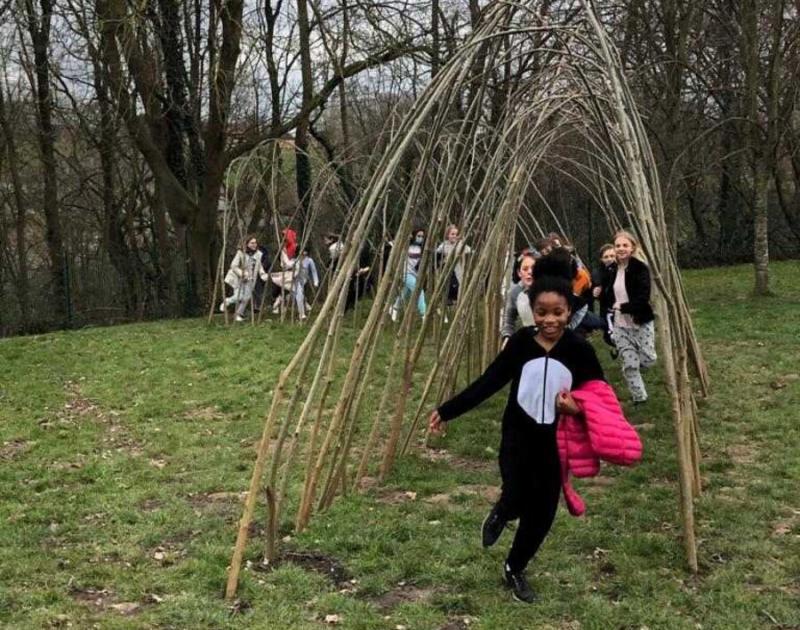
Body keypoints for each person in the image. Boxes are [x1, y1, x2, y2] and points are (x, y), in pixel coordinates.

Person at [429, 263, 606, 603]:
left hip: (556, 441)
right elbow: (490, 381)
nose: (549, 320)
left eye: (558, 312)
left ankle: (515, 567)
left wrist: (577, 409)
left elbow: (601, 398)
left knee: (542, 511)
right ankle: (501, 512)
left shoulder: (579, 350)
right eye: (541, 312)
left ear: (570, 311)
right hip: (518, 436)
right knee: (516, 493)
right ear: (532, 311)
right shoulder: (522, 343)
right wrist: (447, 410)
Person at [600, 230, 657, 404]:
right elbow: (607, 294)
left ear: (632, 247)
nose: (621, 249)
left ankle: (638, 361)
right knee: (629, 365)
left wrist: (624, 307)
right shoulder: (611, 269)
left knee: (648, 359)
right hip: (620, 325)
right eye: (618, 245)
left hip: (640, 320)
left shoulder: (640, 269)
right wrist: (600, 293)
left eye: (625, 245)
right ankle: (639, 398)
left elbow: (643, 297)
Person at [220, 235, 270, 322]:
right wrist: (242, 273)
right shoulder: (240, 253)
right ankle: (226, 301)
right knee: (239, 296)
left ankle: (238, 314)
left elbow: (259, 265)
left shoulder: (258, 254)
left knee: (247, 297)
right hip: (237, 278)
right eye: (252, 243)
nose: (254, 245)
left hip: (250, 279)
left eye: (255, 243)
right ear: (247, 244)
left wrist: (262, 274)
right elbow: (233, 266)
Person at [389, 228, 427, 321]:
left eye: (422, 236)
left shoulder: (423, 248)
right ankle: (424, 314)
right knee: (419, 291)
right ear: (414, 236)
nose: (420, 238)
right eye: (418, 236)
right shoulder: (406, 245)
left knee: (406, 291)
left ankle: (394, 307)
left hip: (416, 274)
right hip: (406, 273)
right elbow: (392, 243)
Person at [500, 252, 535, 346]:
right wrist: (507, 337)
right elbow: (509, 319)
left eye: (534, 268)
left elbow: (578, 308)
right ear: (519, 273)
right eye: (525, 269)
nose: (530, 272)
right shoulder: (516, 292)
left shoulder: (552, 288)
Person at [435, 224, 472, 305]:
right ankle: (447, 300)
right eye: (452, 234)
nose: (454, 236)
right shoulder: (444, 245)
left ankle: (456, 301)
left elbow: (470, 250)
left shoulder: (460, 244)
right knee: (449, 286)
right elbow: (437, 255)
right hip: (447, 270)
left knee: (458, 286)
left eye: (456, 234)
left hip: (458, 269)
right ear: (448, 235)